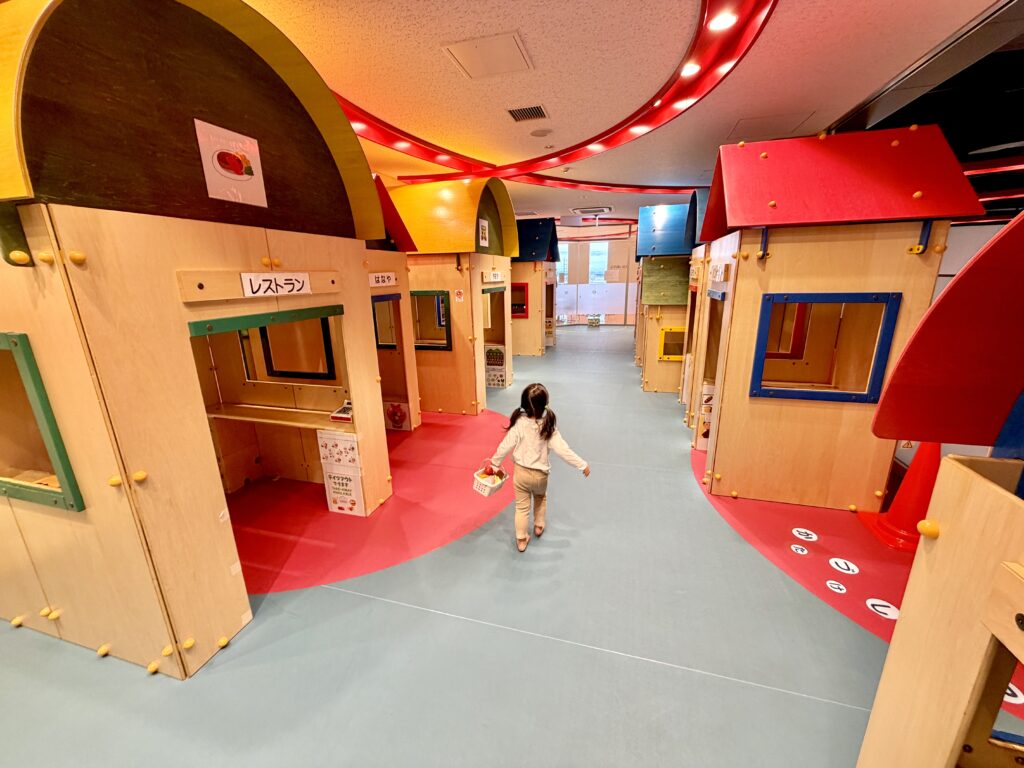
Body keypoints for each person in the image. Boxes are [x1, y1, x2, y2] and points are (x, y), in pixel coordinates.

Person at [488, 383, 589, 552]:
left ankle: (521, 539)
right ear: (545, 404)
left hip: (521, 473)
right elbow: (563, 450)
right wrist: (582, 464)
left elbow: (505, 445)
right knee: (540, 498)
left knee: (521, 507)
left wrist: (494, 463)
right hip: (540, 475)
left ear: (523, 404)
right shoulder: (548, 427)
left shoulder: (519, 423)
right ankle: (538, 525)